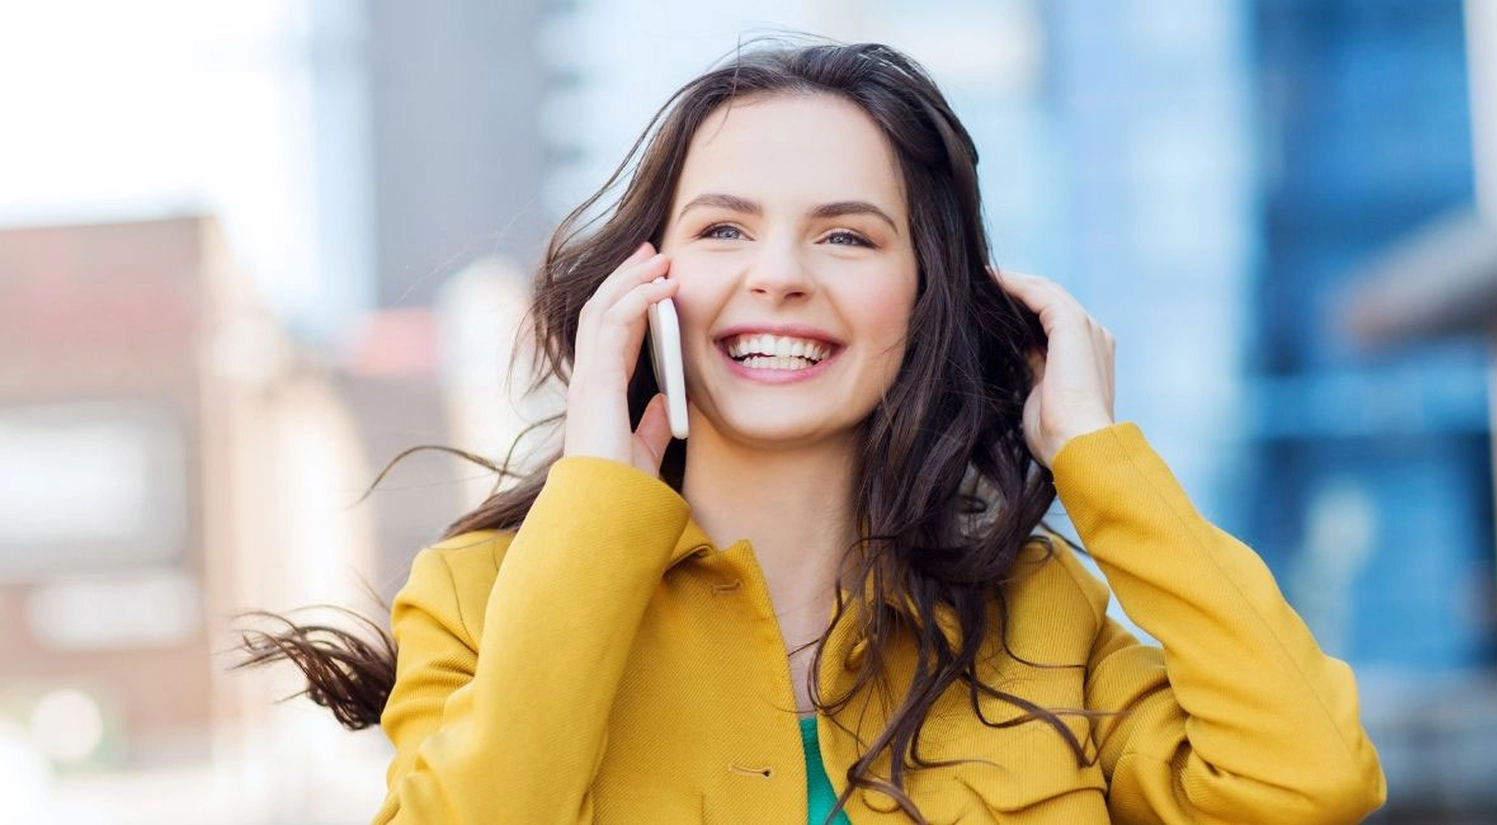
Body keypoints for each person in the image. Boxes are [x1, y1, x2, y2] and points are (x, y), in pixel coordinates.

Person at [236, 39, 1386, 824]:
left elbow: (1308, 780)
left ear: (929, 297)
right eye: (727, 230)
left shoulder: (1038, 611)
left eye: (847, 237)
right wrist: (597, 496)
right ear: (650, 280)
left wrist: (1094, 455)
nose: (780, 277)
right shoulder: (480, 599)